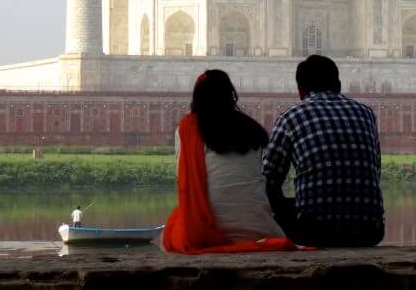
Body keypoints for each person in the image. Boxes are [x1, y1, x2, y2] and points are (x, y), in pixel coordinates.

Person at [163, 69, 297, 254]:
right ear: (231, 95)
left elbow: (185, 181)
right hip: (261, 229)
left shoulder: (188, 129)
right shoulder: (252, 129)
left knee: (174, 224)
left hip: (205, 233)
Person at [263, 55, 385, 247]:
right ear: (338, 84)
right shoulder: (366, 113)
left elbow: (268, 179)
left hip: (314, 232)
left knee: (273, 201)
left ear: (301, 90)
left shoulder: (291, 117)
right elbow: (376, 170)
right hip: (370, 230)